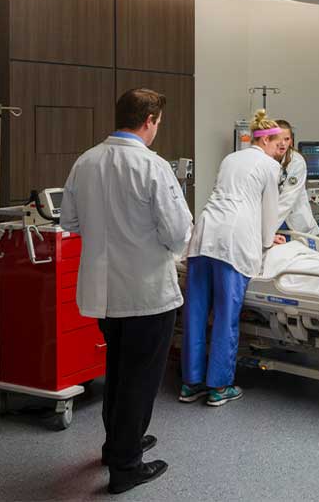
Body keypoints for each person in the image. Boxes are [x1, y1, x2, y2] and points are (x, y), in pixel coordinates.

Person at [60, 88, 193, 495]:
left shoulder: (86, 162)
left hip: (103, 293)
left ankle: (118, 443)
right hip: (146, 292)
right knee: (139, 378)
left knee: (117, 371)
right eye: (158, 123)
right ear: (150, 120)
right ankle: (126, 466)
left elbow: (71, 222)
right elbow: (178, 232)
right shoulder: (151, 167)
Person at [180, 109, 286, 408]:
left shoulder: (231, 158)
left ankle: (190, 384)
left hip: (204, 234)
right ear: (265, 141)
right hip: (234, 239)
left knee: (196, 313)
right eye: (279, 143)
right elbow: (269, 210)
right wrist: (268, 241)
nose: (282, 149)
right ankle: (219, 386)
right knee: (226, 315)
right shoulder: (269, 165)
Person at [275, 119, 319, 236]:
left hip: (297, 224)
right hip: (276, 222)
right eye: (278, 138)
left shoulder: (296, 162)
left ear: (291, 141)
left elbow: (286, 201)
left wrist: (264, 232)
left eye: (287, 139)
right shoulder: (265, 160)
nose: (283, 143)